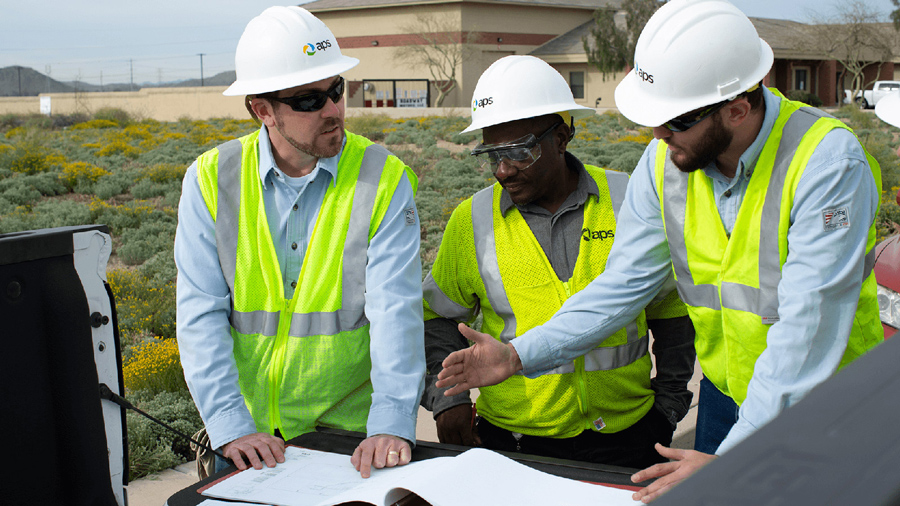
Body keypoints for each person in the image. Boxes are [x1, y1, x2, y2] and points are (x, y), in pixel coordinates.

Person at [435, 0, 883, 501]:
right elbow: (621, 288)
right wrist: (518, 356)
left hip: (827, 403)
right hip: (728, 395)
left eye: (675, 121)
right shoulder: (666, 162)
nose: (657, 135)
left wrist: (734, 457)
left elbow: (808, 330)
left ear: (737, 108)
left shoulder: (826, 164)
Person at [174, 6, 425, 479]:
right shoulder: (211, 180)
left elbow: (398, 312)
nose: (333, 110)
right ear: (262, 109)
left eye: (336, 90)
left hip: (349, 441)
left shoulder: (384, 180)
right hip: (248, 440)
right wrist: (230, 425)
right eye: (309, 100)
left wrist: (391, 424)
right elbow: (200, 312)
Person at [420, 55, 696, 469]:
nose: (503, 169)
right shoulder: (471, 221)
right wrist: (448, 401)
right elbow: (436, 316)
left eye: (519, 151)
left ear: (563, 135)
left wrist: (670, 406)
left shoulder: (627, 201)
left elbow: (672, 311)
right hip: (514, 439)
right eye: (492, 153)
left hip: (629, 434)